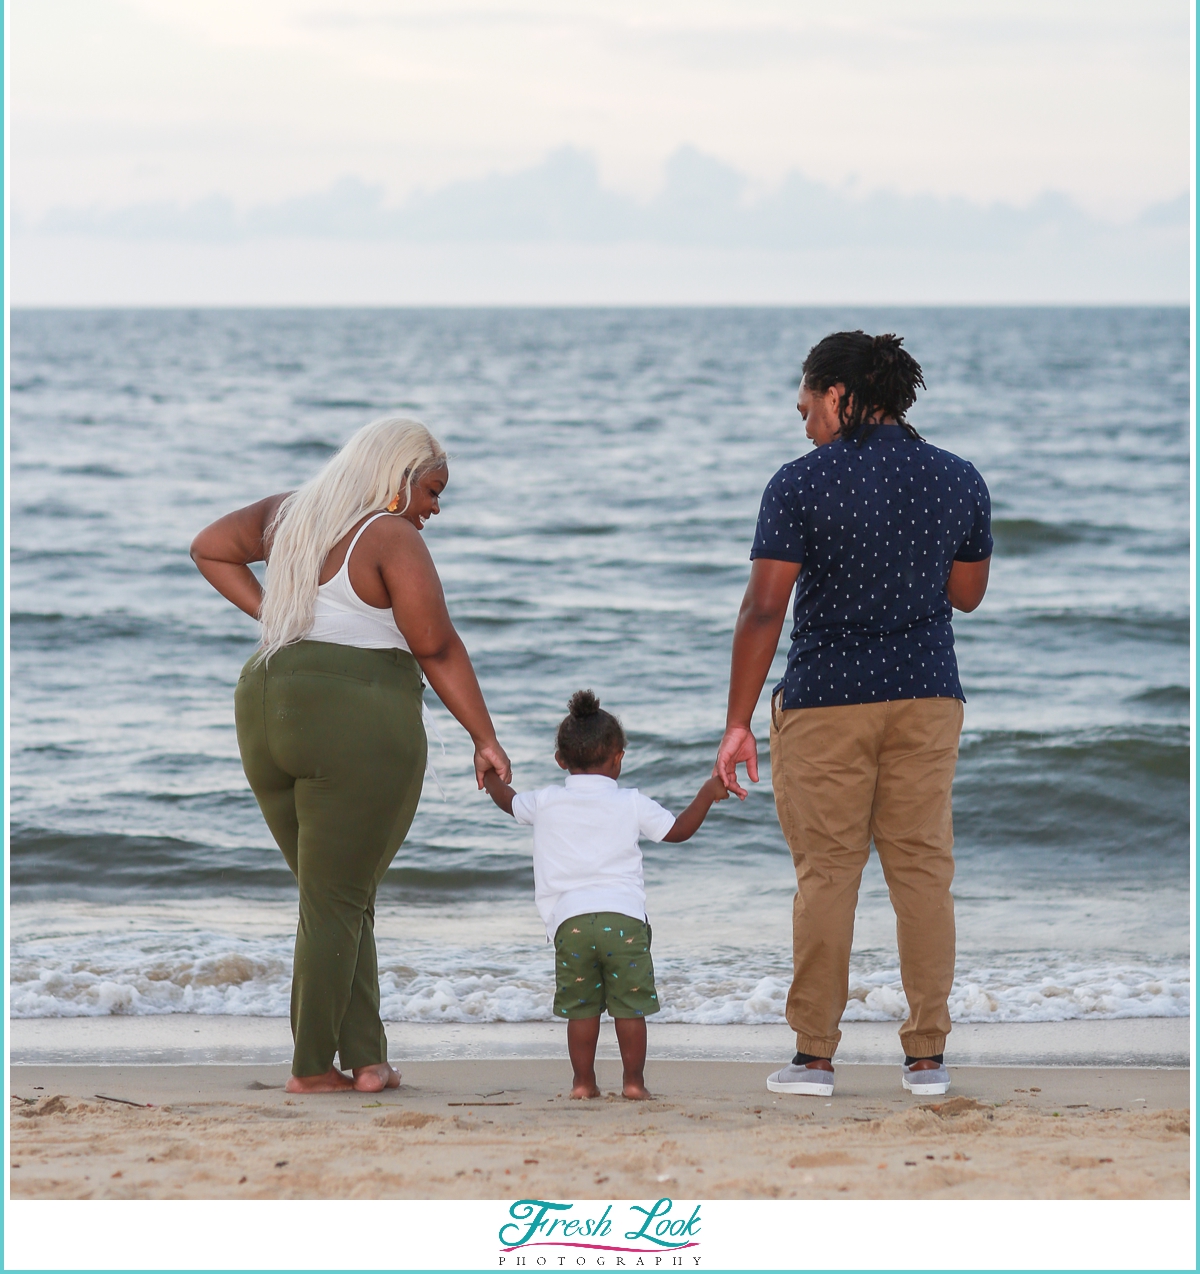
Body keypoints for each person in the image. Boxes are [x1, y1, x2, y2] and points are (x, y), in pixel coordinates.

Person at [191, 416, 510, 1096]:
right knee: (336, 897)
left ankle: (368, 1060)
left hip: (266, 701)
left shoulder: (286, 515)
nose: (434, 508)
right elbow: (437, 646)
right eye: (430, 490)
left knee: (335, 892)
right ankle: (311, 1068)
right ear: (395, 479)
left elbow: (209, 548)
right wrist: (485, 737)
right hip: (353, 713)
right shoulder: (387, 535)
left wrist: (276, 614)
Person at [714, 331, 991, 1100]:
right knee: (923, 875)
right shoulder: (958, 477)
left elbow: (764, 607)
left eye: (807, 408)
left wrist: (738, 722)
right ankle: (928, 1058)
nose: (803, 425)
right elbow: (967, 594)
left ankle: (814, 1060)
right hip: (929, 695)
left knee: (828, 875)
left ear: (840, 396)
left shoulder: (800, 484)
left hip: (827, 700)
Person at [483, 689, 727, 1100]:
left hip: (571, 923)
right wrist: (707, 792)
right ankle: (633, 1084)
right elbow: (678, 831)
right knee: (629, 1008)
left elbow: (506, 801)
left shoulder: (544, 800)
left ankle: (582, 1084)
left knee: (581, 1009)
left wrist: (489, 771)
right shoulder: (631, 802)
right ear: (618, 758)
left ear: (561, 760)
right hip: (624, 921)